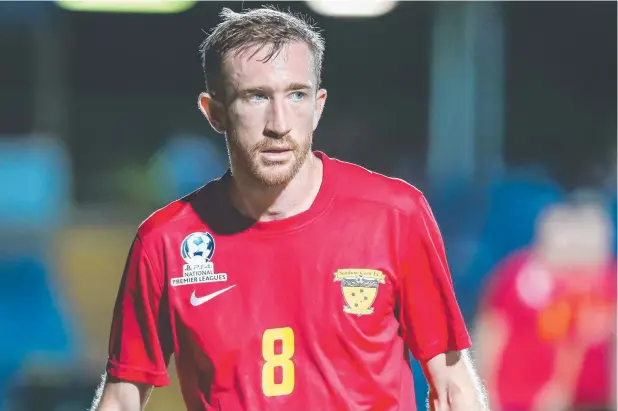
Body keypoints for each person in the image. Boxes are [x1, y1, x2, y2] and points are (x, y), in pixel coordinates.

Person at [91, 7, 487, 411]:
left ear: (318, 105)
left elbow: (453, 382)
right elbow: (123, 398)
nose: (279, 123)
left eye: (296, 94)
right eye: (256, 96)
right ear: (215, 113)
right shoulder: (167, 243)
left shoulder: (395, 214)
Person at [475, 201, 617, 411]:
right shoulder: (518, 277)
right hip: (513, 399)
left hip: (582, 400)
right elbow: (491, 334)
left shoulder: (603, 281)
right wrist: (483, 392)